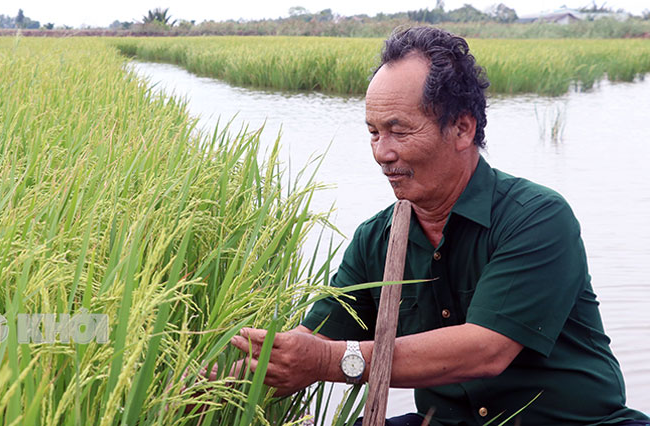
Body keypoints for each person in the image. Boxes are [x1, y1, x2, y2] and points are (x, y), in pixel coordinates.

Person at [230, 26, 649, 425]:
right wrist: (220, 370)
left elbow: (487, 349)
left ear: (463, 128)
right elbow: (309, 342)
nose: (382, 153)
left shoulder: (537, 217)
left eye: (398, 130)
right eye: (373, 132)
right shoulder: (376, 239)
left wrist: (328, 362)